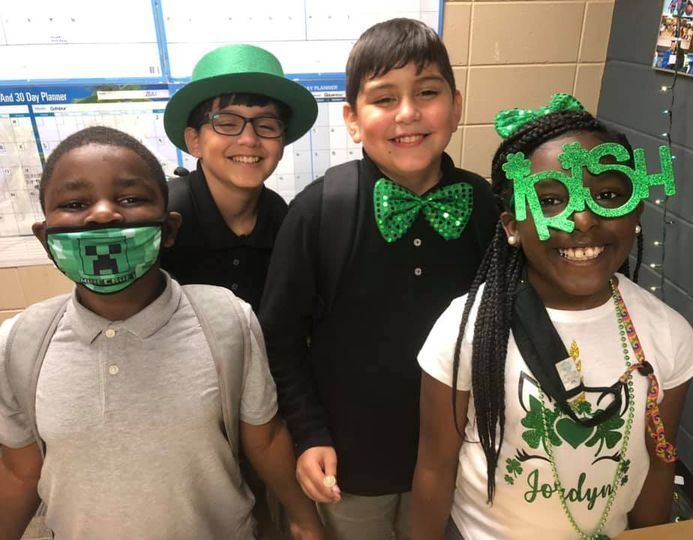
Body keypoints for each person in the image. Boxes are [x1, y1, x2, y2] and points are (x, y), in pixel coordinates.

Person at [0, 126, 323, 539]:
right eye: (76, 202)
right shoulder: (22, 341)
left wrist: (303, 517)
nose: (103, 214)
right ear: (46, 239)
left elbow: (264, 436)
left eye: (130, 199)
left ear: (169, 230)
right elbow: (19, 469)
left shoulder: (225, 320)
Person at [411, 95, 693, 539]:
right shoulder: (466, 329)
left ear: (635, 211)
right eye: (549, 200)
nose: (583, 219)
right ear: (511, 226)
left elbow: (658, 465)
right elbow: (435, 465)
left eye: (607, 195)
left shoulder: (667, 335)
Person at [259, 17, 498, 540]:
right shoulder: (319, 211)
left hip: (460, 453)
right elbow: (278, 337)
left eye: (427, 93)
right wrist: (308, 432)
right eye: (384, 98)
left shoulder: (485, 208)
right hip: (348, 463)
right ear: (351, 119)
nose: (408, 113)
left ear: (455, 107)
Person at [160, 44, 318, 312]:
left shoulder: (279, 216)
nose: (249, 139)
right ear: (194, 140)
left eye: (266, 125)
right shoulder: (166, 218)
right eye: (227, 123)